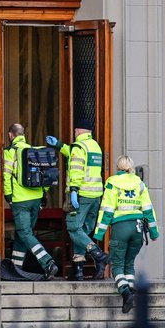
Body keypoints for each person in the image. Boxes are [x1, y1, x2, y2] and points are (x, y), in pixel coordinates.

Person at [93, 155, 160, 313]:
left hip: (120, 228)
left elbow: (107, 208)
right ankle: (130, 290)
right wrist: (154, 232)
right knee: (129, 264)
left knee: (117, 265)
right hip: (137, 228)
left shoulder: (112, 183)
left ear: (117, 167)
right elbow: (148, 210)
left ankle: (125, 292)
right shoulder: (140, 183)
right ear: (132, 167)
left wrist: (99, 233)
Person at [46, 120, 111, 280]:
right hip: (95, 196)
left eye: (75, 131)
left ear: (79, 131)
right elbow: (75, 154)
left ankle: (99, 256)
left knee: (74, 229)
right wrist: (60, 145)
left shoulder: (78, 147)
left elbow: (76, 169)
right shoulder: (94, 146)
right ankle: (78, 270)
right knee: (83, 231)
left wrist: (74, 190)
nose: (74, 134)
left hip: (81, 195)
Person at [3, 123, 59, 278]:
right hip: (36, 199)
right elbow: (47, 175)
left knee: (25, 233)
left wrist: (8, 196)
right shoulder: (33, 151)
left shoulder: (10, 152)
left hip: (20, 200)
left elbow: (6, 176)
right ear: (23, 134)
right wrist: (43, 195)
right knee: (22, 235)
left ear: (10, 135)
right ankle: (15, 270)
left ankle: (48, 262)